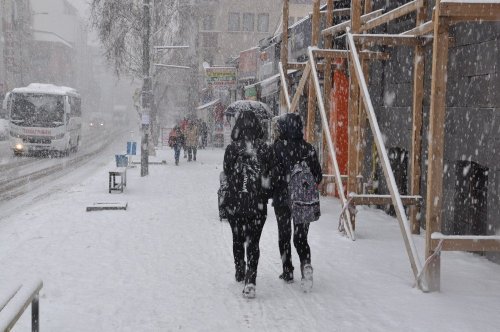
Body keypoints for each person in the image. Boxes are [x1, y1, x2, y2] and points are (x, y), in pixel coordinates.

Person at [270, 113, 322, 290]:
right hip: (303, 201)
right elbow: (318, 176)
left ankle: (288, 271)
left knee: (284, 236)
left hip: (283, 199)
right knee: (301, 237)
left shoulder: (277, 148)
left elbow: (272, 176)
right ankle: (306, 264)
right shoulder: (308, 149)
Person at [223, 110, 271, 298]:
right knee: (254, 242)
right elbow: (270, 176)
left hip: (235, 203)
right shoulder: (264, 149)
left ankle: (239, 269)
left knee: (237, 238)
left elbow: (226, 172)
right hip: (257, 204)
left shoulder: (232, 149)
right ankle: (251, 278)